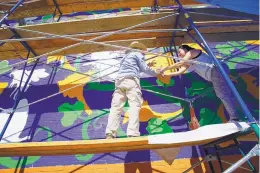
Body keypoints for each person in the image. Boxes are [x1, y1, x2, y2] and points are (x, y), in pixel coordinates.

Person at [160, 45, 239, 121]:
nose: (178, 54)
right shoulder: (189, 61)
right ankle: (234, 114)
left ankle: (235, 117)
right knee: (224, 94)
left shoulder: (192, 52)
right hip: (217, 72)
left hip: (215, 69)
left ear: (185, 49)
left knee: (222, 94)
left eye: (179, 51)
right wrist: (166, 74)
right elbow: (180, 71)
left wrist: (165, 68)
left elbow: (180, 63)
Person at [105, 41, 161, 139]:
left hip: (119, 81)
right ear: (139, 49)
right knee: (134, 106)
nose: (144, 54)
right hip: (131, 81)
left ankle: (110, 133)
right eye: (143, 53)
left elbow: (133, 67)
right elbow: (144, 68)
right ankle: (132, 132)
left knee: (116, 108)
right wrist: (156, 72)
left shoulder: (125, 57)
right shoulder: (137, 54)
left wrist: (149, 65)